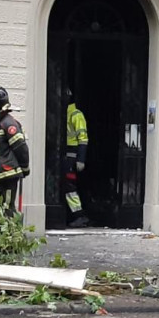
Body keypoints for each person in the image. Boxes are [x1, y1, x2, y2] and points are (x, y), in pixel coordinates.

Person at [0, 87, 29, 216]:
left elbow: (20, 147)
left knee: (7, 208)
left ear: (0, 105)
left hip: (8, 174)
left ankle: (11, 228)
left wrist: (25, 168)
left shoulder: (9, 124)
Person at [65, 87, 91, 228]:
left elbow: (83, 139)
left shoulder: (76, 114)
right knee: (67, 186)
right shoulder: (64, 114)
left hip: (72, 156)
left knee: (69, 186)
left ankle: (78, 215)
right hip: (66, 155)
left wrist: (81, 159)